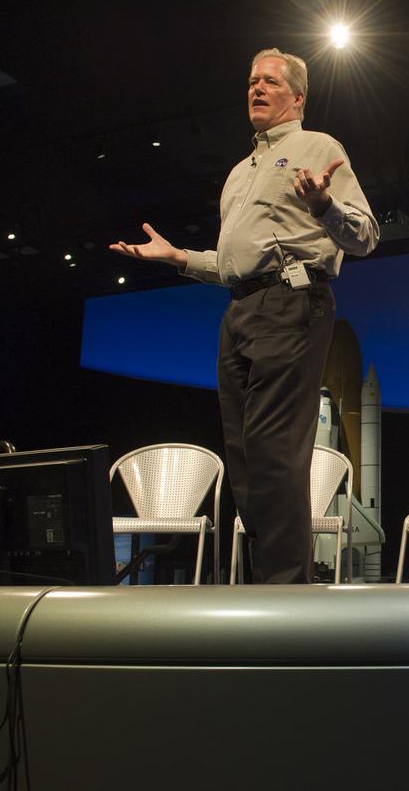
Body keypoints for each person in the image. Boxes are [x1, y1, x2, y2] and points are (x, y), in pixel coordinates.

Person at [110, 47, 378, 583]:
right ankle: (270, 585)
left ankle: (285, 598)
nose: (256, 88)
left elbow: (366, 235)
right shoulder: (238, 173)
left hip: (292, 302)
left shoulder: (317, 147)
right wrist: (180, 258)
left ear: (297, 97)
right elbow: (234, 263)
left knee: (274, 453)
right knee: (246, 460)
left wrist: (324, 207)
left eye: (270, 82)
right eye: (252, 80)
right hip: (240, 312)